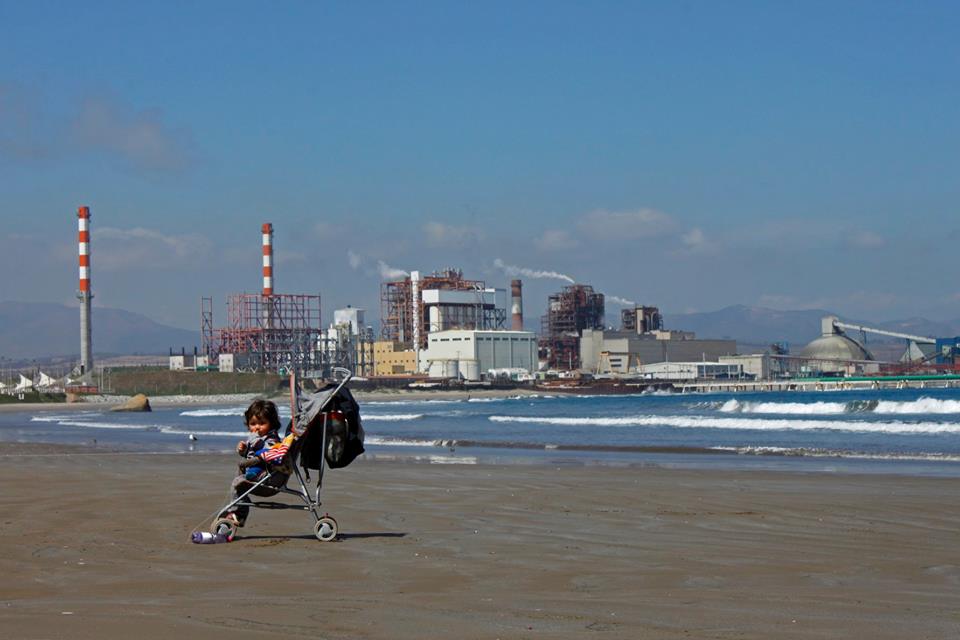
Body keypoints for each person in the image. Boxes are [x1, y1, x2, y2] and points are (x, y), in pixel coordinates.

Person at [219, 399, 289, 528]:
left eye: (262, 423)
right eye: (252, 424)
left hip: (268, 478)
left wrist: (253, 443)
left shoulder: (272, 439)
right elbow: (252, 455)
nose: (256, 427)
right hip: (258, 475)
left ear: (272, 424)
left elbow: (267, 454)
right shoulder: (257, 438)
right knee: (239, 484)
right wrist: (244, 450)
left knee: (237, 482)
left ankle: (238, 512)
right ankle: (240, 514)